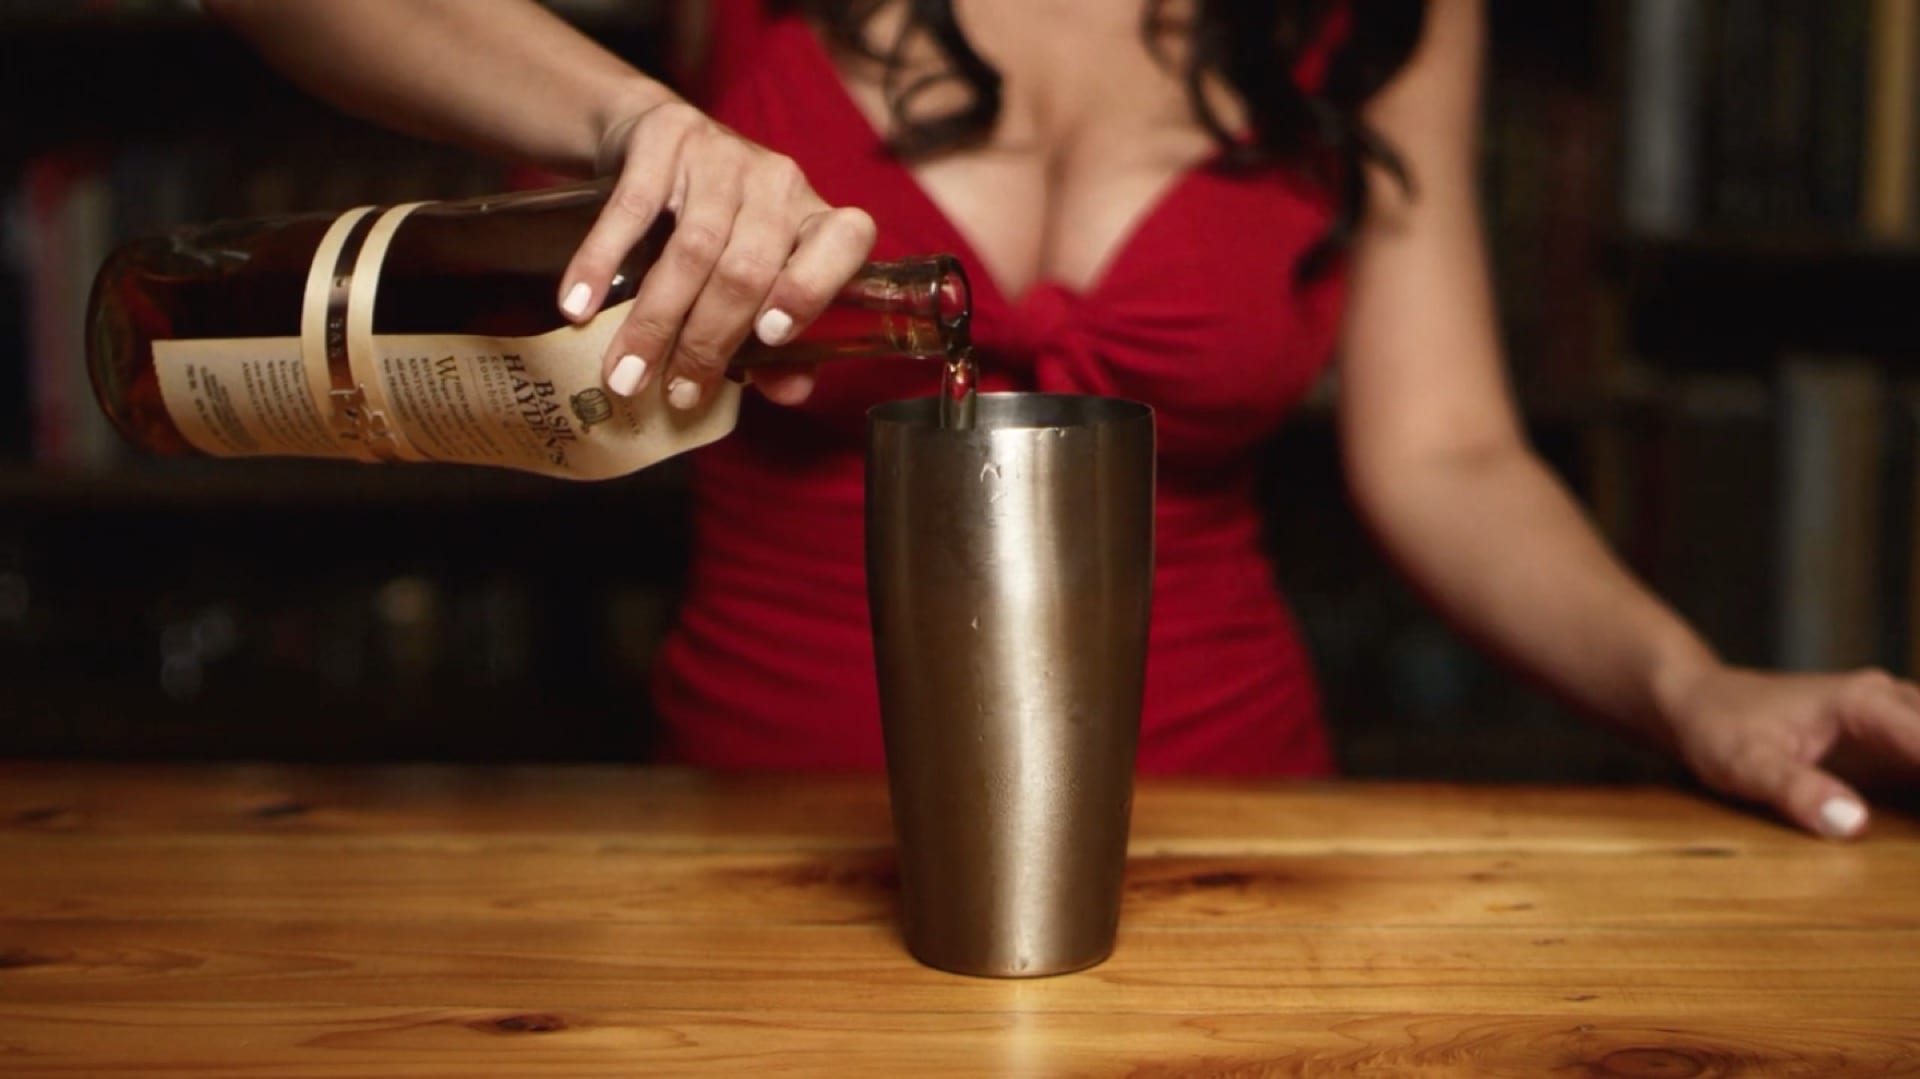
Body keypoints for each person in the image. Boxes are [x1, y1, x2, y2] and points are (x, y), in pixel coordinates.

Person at [200, 0, 1918, 839]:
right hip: (748, 828)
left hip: (1233, 835)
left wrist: (1693, 689)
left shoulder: (1388, 7)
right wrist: (639, 123)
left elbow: (1448, 449)